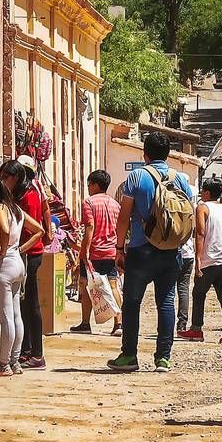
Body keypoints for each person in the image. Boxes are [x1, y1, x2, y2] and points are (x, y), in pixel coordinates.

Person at [108, 131, 195, 372]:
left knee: (132, 302)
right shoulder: (180, 179)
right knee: (166, 301)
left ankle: (129, 356)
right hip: (171, 251)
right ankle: (163, 358)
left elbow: (124, 217)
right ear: (168, 154)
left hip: (141, 249)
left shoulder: (136, 177)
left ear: (144, 153)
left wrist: (118, 249)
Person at [0, 173, 42, 376]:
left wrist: (3, 250)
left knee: (6, 318)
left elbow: (4, 230)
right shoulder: (16, 210)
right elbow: (39, 230)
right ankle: (14, 361)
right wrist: (19, 249)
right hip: (17, 264)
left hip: (2, 265)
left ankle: (3, 363)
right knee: (16, 316)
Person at [2, 158, 51, 369]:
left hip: (30, 255)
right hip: (23, 255)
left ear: (17, 177)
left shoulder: (29, 195)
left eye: (6, 177)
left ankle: (37, 354)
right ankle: (27, 350)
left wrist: (18, 250)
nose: (4, 181)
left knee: (31, 304)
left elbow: (34, 229)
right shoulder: (21, 193)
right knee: (23, 304)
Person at [182, 178, 222, 343]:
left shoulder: (202, 208)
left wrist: (198, 258)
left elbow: (200, 233)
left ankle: (196, 329)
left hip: (209, 259)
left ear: (206, 192)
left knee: (198, 294)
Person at [71, 169, 122, 335]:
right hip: (112, 251)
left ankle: (85, 323)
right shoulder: (116, 204)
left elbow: (90, 227)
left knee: (87, 287)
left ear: (94, 184)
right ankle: (118, 324)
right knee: (113, 286)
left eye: (89, 184)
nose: (88, 188)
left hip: (94, 253)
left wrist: (84, 251)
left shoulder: (89, 203)